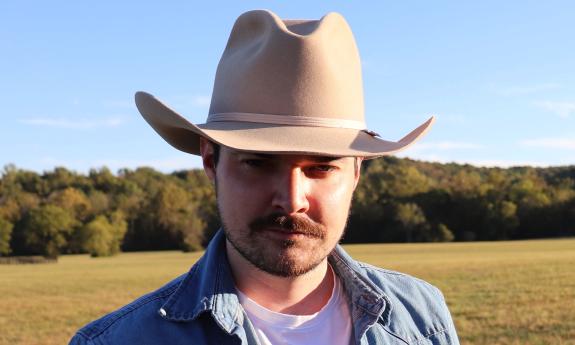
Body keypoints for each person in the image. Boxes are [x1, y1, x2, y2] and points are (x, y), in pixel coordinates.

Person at [70, 9, 459, 345]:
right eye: (258, 163)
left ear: (356, 172)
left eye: (320, 167)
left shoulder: (420, 316)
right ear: (211, 161)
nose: (292, 200)